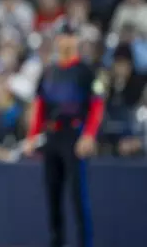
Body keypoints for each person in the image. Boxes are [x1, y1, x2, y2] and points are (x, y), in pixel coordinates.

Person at [24, 19, 104, 247]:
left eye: (70, 36)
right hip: (52, 136)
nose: (66, 41)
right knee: (53, 196)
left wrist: (89, 135)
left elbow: (97, 104)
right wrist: (32, 136)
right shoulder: (49, 71)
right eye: (62, 36)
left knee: (79, 198)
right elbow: (39, 105)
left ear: (76, 40)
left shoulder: (86, 71)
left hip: (75, 135)